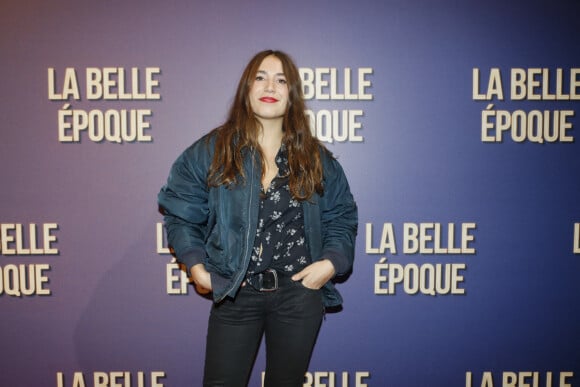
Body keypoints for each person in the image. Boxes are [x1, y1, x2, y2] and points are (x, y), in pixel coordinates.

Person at [158, 49, 358, 387]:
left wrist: (330, 263)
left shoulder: (315, 158)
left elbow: (341, 216)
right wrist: (197, 266)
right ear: (246, 88)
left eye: (281, 80)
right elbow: (180, 212)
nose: (270, 86)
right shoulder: (213, 151)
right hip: (236, 292)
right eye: (260, 76)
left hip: (299, 294)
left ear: (292, 94)